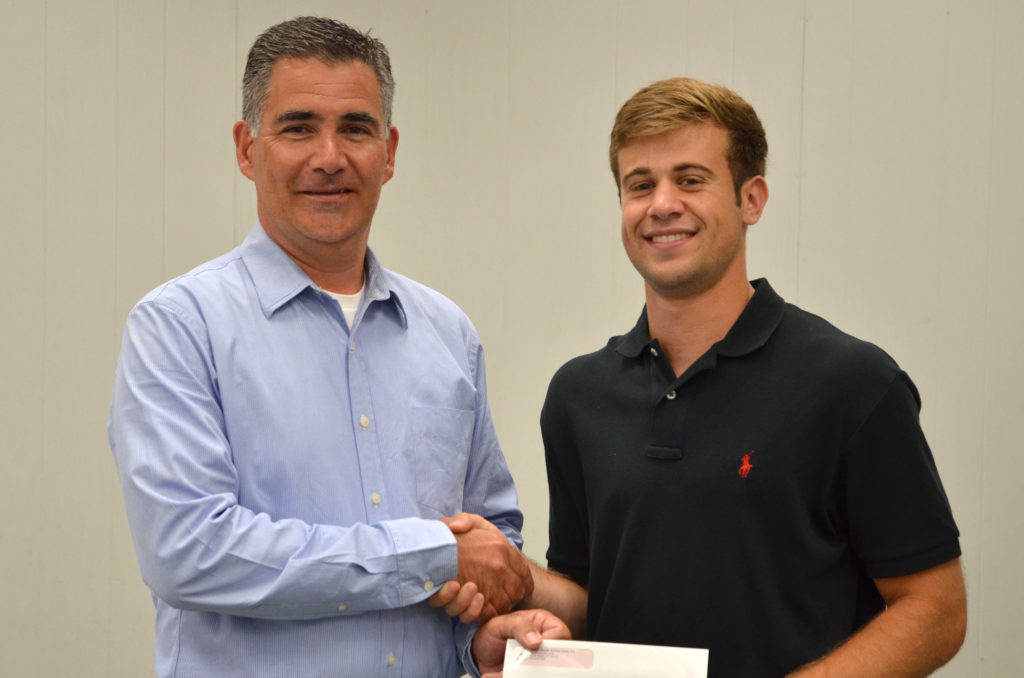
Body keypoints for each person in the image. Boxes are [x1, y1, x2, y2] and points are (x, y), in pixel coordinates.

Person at [107, 16, 563, 678]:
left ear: (390, 150)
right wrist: (428, 558)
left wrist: (483, 639)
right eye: (298, 127)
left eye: (355, 128)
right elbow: (190, 551)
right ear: (246, 148)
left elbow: (488, 547)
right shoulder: (179, 327)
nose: (329, 156)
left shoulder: (447, 334)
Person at [467, 77, 967, 677]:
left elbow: (936, 610)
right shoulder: (578, 396)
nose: (662, 204)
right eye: (640, 185)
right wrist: (521, 592)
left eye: (691, 179)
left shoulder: (852, 384)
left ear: (750, 200)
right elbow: (592, 599)